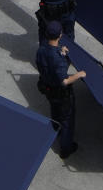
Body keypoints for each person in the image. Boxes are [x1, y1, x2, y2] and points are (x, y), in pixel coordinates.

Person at [36, 21, 86, 159]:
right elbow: (64, 81)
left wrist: (61, 53)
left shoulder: (41, 50)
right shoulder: (56, 59)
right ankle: (66, 148)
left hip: (48, 89)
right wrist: (78, 75)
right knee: (67, 120)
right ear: (60, 35)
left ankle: (55, 131)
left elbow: (47, 64)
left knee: (55, 111)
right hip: (61, 93)